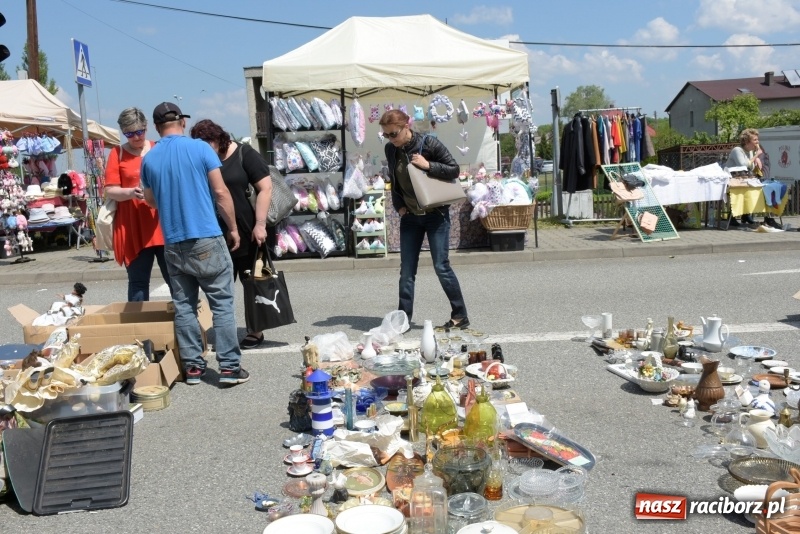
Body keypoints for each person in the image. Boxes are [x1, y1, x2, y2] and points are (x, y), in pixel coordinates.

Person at [140, 102, 249, 386]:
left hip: (173, 242)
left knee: (184, 306)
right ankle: (229, 368)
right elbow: (221, 191)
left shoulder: (149, 159)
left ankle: (193, 368)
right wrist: (234, 228)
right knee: (222, 304)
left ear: (156, 127)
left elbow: (150, 201)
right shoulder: (200, 149)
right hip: (206, 237)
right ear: (182, 122)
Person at [379, 109, 469, 328]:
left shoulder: (429, 144)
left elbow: (454, 170)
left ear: (406, 126)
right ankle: (403, 320)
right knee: (407, 271)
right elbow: (394, 179)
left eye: (394, 133)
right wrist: (399, 207)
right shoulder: (391, 150)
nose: (391, 138)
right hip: (410, 217)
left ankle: (460, 315)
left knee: (441, 266)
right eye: (386, 135)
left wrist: (428, 165)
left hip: (435, 215)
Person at [189, 119, 273, 349]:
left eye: (209, 142)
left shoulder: (244, 153)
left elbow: (265, 187)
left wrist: (260, 224)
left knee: (250, 282)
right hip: (215, 231)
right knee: (219, 285)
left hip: (247, 229)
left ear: (220, 139)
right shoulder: (201, 160)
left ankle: (255, 330)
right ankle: (224, 331)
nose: (205, 148)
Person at [104, 107, 172, 301]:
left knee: (176, 280)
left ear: (146, 127)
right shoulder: (116, 154)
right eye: (129, 133)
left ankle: (184, 326)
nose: (135, 137)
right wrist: (131, 192)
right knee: (138, 283)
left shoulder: (159, 148)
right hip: (133, 226)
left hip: (162, 225)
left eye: (139, 132)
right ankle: (139, 329)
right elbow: (110, 189)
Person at [724, 128, 763, 227]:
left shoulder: (750, 151)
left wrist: (756, 159)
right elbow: (743, 165)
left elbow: (751, 167)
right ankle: (732, 217)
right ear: (747, 141)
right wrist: (756, 156)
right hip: (732, 179)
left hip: (743, 178)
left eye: (757, 140)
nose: (757, 142)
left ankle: (746, 215)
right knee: (741, 190)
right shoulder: (737, 150)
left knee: (754, 188)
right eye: (755, 140)